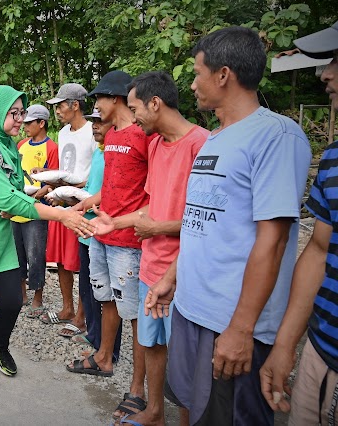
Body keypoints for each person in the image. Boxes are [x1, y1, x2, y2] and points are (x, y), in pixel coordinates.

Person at [145, 27, 311, 425]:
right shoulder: (216, 139)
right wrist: (172, 276)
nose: (192, 83)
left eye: (197, 72)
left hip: (232, 323)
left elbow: (272, 241)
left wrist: (240, 329)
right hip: (192, 310)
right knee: (197, 410)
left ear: (223, 75)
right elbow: (203, 222)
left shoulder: (277, 136)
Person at [0, 85, 92, 408]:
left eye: (21, 113)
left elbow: (15, 193)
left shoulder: (8, 147)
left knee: (11, 300)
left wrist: (47, 196)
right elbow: (8, 199)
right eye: (14, 113)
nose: (20, 120)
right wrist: (61, 215)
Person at [94, 71, 208, 425]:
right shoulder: (156, 144)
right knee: (154, 343)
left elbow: (206, 220)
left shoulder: (202, 145)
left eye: (135, 108)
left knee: (187, 356)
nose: (132, 116)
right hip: (150, 267)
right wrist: (117, 222)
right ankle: (155, 413)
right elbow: (152, 206)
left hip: (184, 272)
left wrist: (157, 227)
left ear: (155, 103)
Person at [259, 22, 338, 425]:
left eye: (336, 61)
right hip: (321, 353)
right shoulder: (333, 159)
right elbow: (319, 249)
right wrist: (287, 345)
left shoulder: (282, 137)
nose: (325, 73)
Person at [65, 71, 152, 421]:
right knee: (105, 300)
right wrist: (86, 203)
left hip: (128, 243)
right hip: (102, 234)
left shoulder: (143, 135)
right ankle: (103, 358)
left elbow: (150, 190)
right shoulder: (112, 135)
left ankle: (138, 389)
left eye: (98, 99)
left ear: (115, 99)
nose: (94, 106)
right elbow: (113, 187)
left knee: (135, 316)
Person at [41, 83, 97, 336]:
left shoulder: (93, 131)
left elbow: (94, 172)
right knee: (62, 259)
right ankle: (67, 308)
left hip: (84, 203)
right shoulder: (63, 132)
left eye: (61, 106)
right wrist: (52, 181)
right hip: (61, 201)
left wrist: (75, 187)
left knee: (84, 262)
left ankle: (82, 317)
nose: (58, 112)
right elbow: (64, 167)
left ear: (75, 105)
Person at [72, 108, 118, 359]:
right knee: (89, 286)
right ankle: (93, 335)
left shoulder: (115, 153)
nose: (95, 126)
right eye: (92, 122)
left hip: (103, 227)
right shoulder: (100, 152)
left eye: (101, 122)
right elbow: (93, 188)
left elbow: (109, 192)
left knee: (105, 294)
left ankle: (107, 347)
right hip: (87, 227)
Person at [12, 104, 58, 318]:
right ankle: (20, 294)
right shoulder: (20, 145)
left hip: (37, 209)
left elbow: (56, 179)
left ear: (42, 123)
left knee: (36, 254)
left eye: (29, 122)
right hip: (17, 206)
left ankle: (37, 296)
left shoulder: (51, 148)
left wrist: (43, 192)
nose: (25, 126)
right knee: (17, 253)